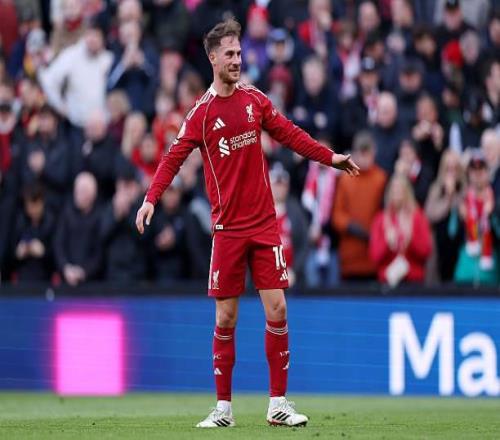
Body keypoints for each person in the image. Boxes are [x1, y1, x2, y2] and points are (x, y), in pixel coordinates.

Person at [135, 18, 359, 428]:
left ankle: (278, 404)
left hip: (264, 225)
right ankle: (223, 409)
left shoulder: (255, 100)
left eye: (240, 53)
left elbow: (290, 134)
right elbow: (172, 159)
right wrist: (151, 199)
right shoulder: (201, 114)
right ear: (212, 58)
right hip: (228, 231)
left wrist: (330, 158)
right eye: (230, 54)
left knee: (278, 308)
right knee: (226, 318)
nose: (237, 60)